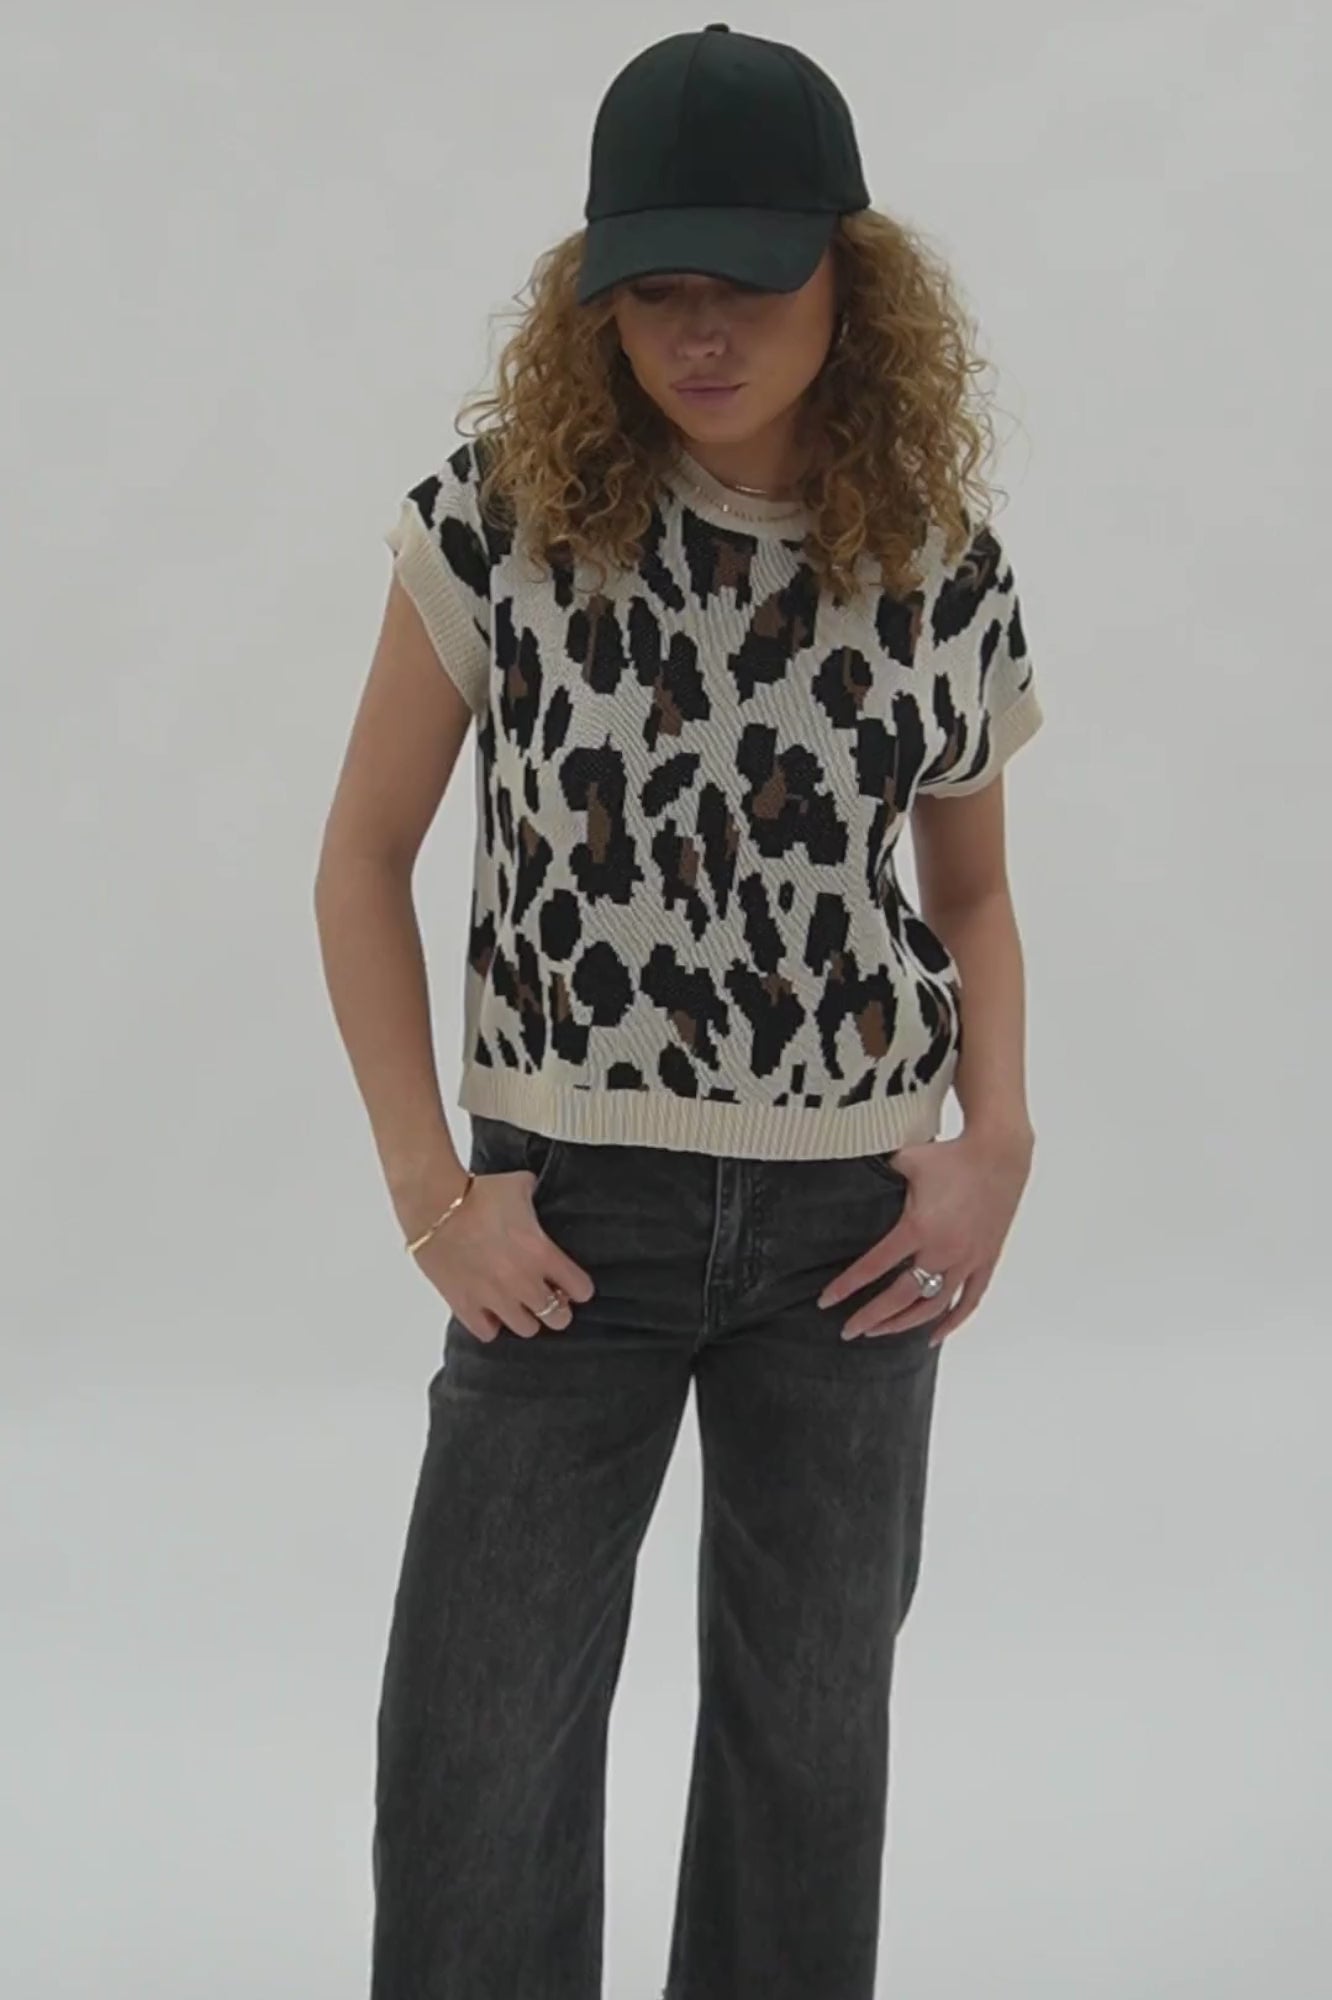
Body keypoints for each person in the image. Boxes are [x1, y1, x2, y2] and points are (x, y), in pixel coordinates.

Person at [314, 22, 1043, 2000]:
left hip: (854, 1234)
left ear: (851, 282)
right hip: (570, 1218)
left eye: (751, 286)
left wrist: (996, 1146)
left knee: (811, 1747)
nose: (699, 334)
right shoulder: (500, 522)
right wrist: (432, 1195)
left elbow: (972, 894)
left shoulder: (940, 566)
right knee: (477, 1750)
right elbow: (360, 859)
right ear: (598, 297)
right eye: (654, 293)